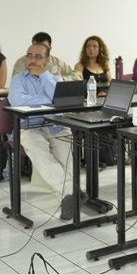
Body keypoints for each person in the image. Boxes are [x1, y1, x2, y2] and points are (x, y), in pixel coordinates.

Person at [8, 42, 84, 220]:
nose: (32, 60)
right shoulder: (18, 79)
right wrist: (48, 100)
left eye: (38, 57)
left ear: (48, 60)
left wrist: (44, 76)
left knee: (68, 160)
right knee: (40, 153)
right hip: (29, 127)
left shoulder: (55, 79)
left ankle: (68, 200)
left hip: (56, 126)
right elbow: (17, 101)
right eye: (29, 56)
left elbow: (59, 99)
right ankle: (72, 193)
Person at [10, 31, 81, 81]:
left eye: (43, 47)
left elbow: (78, 76)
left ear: (50, 49)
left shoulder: (56, 62)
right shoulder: (22, 62)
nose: (38, 49)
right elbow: (16, 82)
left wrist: (62, 79)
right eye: (36, 45)